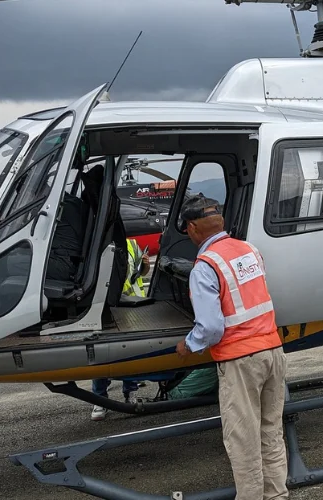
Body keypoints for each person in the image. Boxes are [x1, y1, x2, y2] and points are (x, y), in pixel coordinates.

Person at [174, 194, 288, 500]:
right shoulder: (249, 250)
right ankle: (277, 496)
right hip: (272, 351)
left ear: (193, 228)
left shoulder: (205, 266)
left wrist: (188, 345)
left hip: (241, 360)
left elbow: (211, 328)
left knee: (243, 440)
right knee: (271, 433)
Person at [89, 237, 151, 421]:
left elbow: (141, 273)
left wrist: (145, 264)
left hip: (130, 306)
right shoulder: (96, 239)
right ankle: (100, 399)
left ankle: (130, 393)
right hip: (105, 307)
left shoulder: (131, 244)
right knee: (102, 354)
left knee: (129, 354)